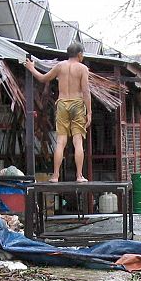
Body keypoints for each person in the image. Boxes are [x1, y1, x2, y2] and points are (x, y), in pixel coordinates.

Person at [24, 42, 92, 183]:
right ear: (80, 54)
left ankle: (55, 176)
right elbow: (86, 91)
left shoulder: (60, 66)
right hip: (77, 103)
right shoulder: (82, 68)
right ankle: (79, 176)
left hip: (62, 104)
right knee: (77, 140)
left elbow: (43, 78)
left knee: (61, 141)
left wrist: (31, 68)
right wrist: (89, 112)